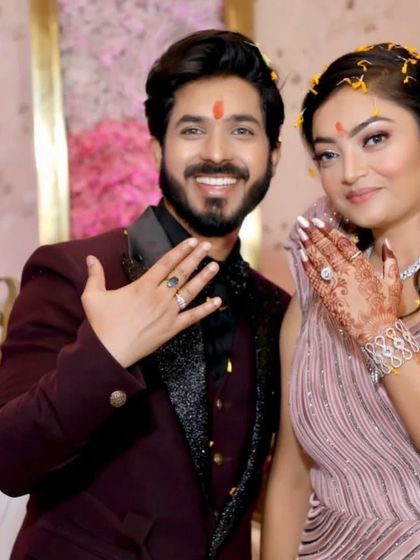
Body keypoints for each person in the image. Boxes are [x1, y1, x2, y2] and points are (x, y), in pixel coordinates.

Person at [0, 29, 290, 560]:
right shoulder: (76, 273)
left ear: (273, 154)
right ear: (158, 148)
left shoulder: (276, 309)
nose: (217, 153)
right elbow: (9, 461)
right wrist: (106, 356)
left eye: (242, 130)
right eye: (193, 130)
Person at [262, 42, 420, 559]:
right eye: (328, 153)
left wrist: (377, 329)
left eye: (374, 139)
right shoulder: (323, 271)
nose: (350, 172)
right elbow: (292, 475)